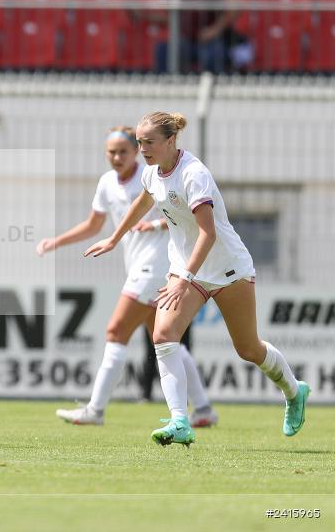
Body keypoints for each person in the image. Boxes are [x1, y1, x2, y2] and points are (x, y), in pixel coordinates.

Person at [85, 112, 309, 446]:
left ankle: (293, 391)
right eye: (140, 143)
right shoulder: (151, 173)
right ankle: (179, 421)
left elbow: (208, 233)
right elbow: (142, 202)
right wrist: (115, 238)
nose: (142, 149)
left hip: (228, 268)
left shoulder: (194, 174)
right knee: (163, 335)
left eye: (149, 143)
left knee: (248, 348)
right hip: (186, 268)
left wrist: (184, 277)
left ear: (171, 141)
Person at [38, 126, 216, 427]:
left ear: (136, 151)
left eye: (124, 151)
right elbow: (94, 225)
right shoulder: (107, 183)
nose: (117, 157)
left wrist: (158, 225)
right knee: (164, 339)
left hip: (157, 266)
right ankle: (203, 409)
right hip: (137, 266)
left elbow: (186, 210)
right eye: (112, 152)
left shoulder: (151, 175)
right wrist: (58, 241)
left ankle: (95, 410)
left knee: (116, 330)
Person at [138, 0, 246, 74]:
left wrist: (214, 30)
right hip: (186, 42)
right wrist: (144, 15)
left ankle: (213, 87)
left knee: (213, 54)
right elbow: (172, 19)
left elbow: (235, 5)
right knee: (163, 49)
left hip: (210, 41)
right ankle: (167, 87)